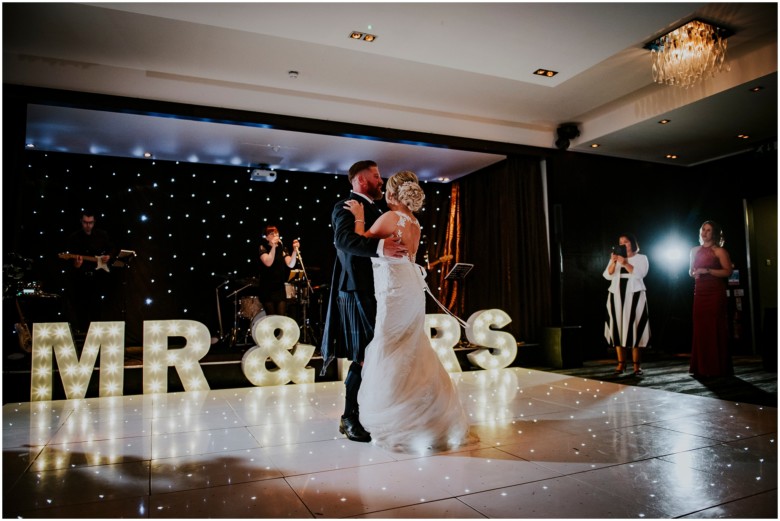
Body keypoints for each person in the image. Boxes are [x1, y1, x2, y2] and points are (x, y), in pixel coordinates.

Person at [343, 170, 472, 453]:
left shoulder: (390, 218)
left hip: (394, 293)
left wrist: (358, 214)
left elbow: (361, 241)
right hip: (412, 291)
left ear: (392, 193)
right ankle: (426, 418)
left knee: (391, 347)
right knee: (412, 346)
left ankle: (400, 419)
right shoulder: (414, 222)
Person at [319, 160, 407, 443]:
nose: (382, 181)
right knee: (364, 354)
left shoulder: (378, 210)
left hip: (379, 289)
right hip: (356, 290)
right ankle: (348, 417)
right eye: (377, 176)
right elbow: (344, 241)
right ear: (360, 181)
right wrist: (382, 246)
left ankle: (370, 412)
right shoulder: (345, 206)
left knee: (377, 352)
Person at [689, 220, 734, 377]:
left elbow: (727, 272)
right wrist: (694, 273)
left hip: (715, 292)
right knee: (700, 327)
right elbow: (690, 271)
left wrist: (708, 270)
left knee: (715, 326)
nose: (704, 232)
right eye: (703, 229)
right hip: (699, 292)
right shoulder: (694, 250)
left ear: (714, 233)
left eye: (708, 230)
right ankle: (700, 366)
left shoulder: (719, 251)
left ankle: (717, 367)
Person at [62, 210, 117, 334]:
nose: (88, 225)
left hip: (98, 279)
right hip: (80, 280)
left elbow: (112, 248)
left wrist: (109, 256)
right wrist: (76, 265)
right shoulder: (74, 238)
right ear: (81, 222)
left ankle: (96, 338)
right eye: (85, 223)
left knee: (97, 310)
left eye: (90, 223)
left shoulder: (102, 235)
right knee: (81, 310)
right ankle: (83, 338)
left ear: (94, 222)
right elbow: (70, 264)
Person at [603, 233, 651, 376]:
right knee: (618, 327)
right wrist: (613, 262)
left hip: (634, 294)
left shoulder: (642, 258)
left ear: (633, 243)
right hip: (616, 295)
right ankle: (621, 364)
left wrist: (624, 263)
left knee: (634, 327)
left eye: (626, 242)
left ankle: (637, 366)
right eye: (621, 242)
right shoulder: (616, 257)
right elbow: (607, 275)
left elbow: (640, 274)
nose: (623, 244)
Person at [258, 225, 299, 317]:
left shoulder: (282, 248)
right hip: (267, 288)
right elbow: (268, 262)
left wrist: (294, 251)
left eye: (276, 233)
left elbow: (290, 264)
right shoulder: (262, 247)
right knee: (272, 317)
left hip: (279, 288)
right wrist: (273, 247)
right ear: (266, 237)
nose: (275, 235)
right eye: (271, 234)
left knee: (281, 316)